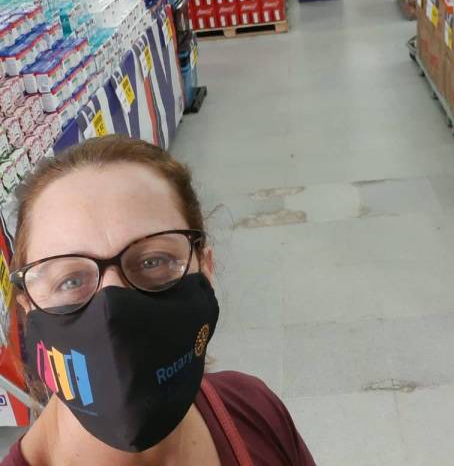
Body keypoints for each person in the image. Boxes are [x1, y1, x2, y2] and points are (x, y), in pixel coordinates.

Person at [3, 136, 315, 466]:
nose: (113, 312)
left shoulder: (255, 411)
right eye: (71, 281)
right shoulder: (253, 412)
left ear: (205, 269)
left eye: (152, 261)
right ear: (28, 310)